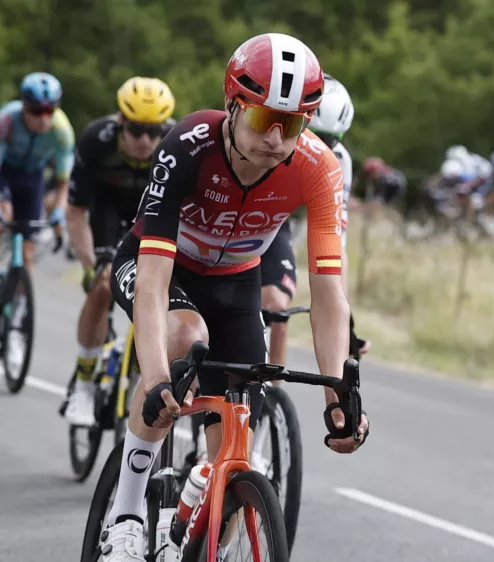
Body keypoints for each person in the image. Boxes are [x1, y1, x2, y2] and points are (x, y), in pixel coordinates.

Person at [98, 33, 369, 562]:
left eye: (292, 124)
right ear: (233, 104)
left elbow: (329, 289)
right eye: (266, 119)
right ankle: (126, 516)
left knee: (235, 443)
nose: (277, 137)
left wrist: (339, 390)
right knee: (183, 338)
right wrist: (155, 376)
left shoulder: (319, 168)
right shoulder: (187, 144)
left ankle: (198, 513)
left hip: (235, 282)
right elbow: (152, 280)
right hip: (159, 266)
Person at [62, 77, 176, 427]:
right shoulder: (97, 141)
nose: (146, 141)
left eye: (154, 131)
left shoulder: (177, 144)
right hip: (107, 215)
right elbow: (76, 211)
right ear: (121, 122)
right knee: (102, 284)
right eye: (137, 130)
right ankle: (82, 384)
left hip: (151, 219)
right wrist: (89, 264)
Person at [259, 72, 368, 368]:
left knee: (277, 309)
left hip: (277, 225)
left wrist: (344, 318)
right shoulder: (267, 144)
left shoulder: (339, 162)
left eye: (329, 141)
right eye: (310, 133)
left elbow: (336, 248)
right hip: (237, 219)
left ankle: (273, 401)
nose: (317, 146)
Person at [0, 72, 75, 271]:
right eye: (36, 111)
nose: (43, 119)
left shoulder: (62, 132)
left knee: (28, 255)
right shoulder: (7, 120)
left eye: (49, 111)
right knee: (4, 216)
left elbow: (63, 183)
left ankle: (20, 298)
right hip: (4, 174)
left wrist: (59, 212)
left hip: (33, 178)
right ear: (24, 106)